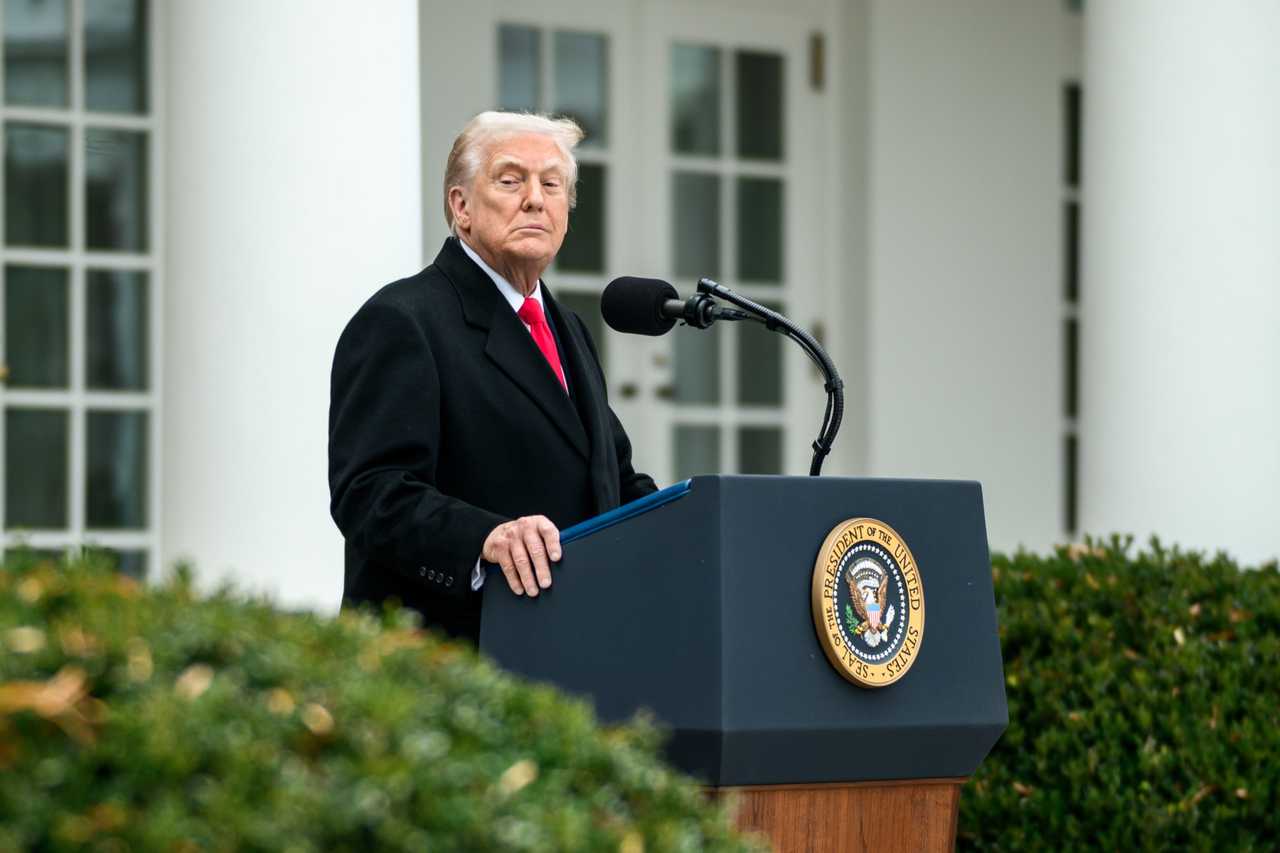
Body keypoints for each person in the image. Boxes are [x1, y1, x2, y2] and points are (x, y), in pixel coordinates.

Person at [328, 111, 657, 643]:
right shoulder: (402, 320)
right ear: (461, 206)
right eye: (510, 180)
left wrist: (693, 526)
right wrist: (486, 537)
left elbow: (613, 479)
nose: (535, 199)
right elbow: (369, 494)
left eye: (552, 185)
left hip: (569, 648)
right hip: (445, 660)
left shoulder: (565, 327)